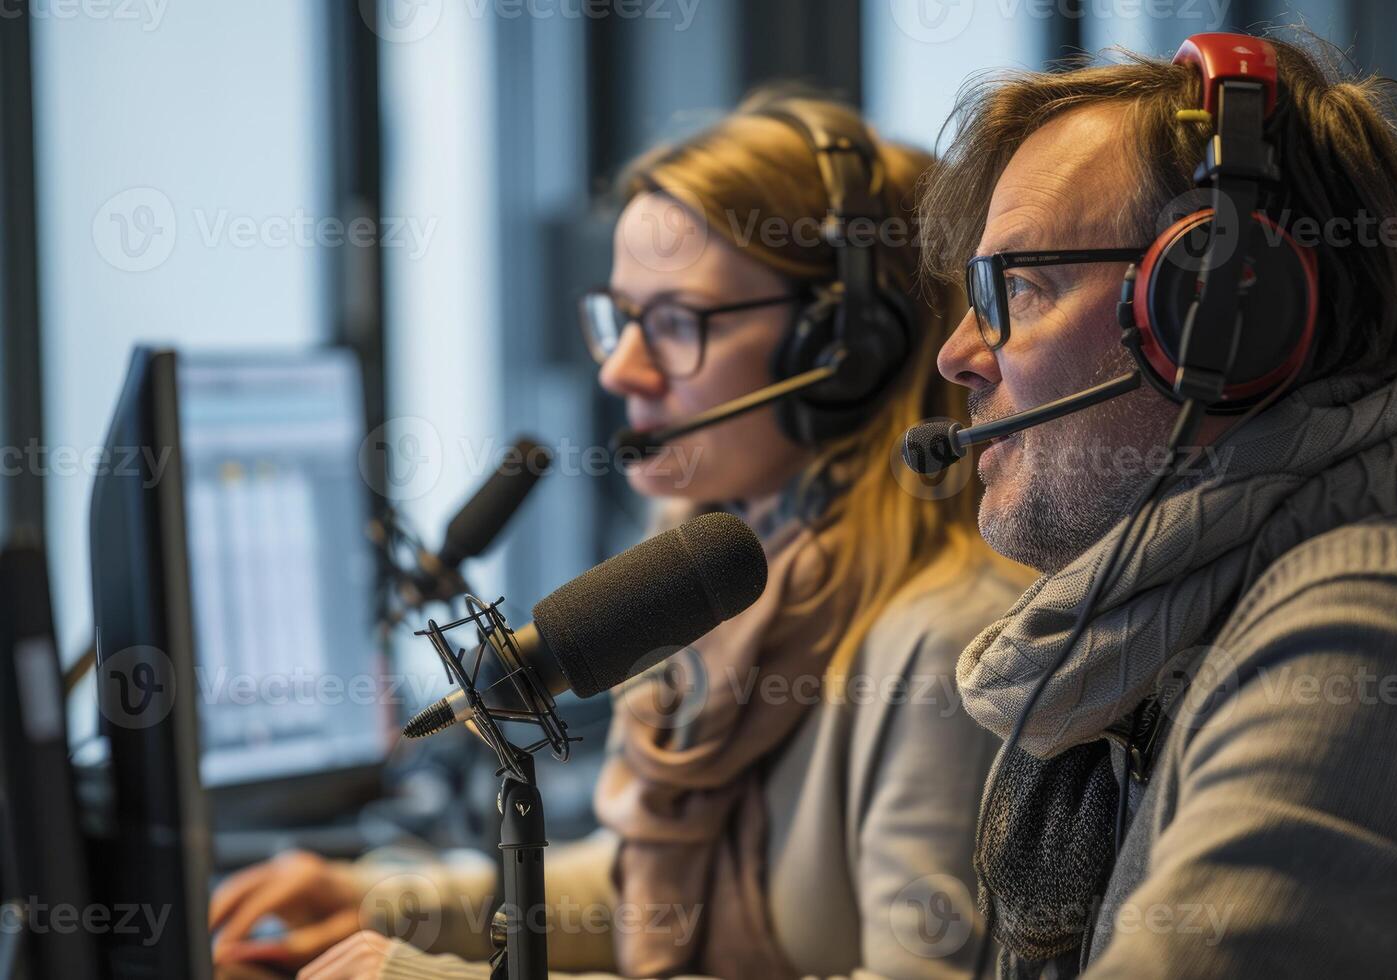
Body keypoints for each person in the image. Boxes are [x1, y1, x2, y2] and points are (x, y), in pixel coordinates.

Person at [212, 91, 1033, 979]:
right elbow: (651, 892)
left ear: (842, 352)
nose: (620, 369)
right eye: (620, 317)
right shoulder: (725, 583)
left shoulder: (945, 646)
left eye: (677, 324)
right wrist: (391, 906)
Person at [919, 29, 1397, 979]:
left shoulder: (1375, 631)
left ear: (1216, 316)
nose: (958, 356)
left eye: (1016, 289)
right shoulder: (1128, 642)